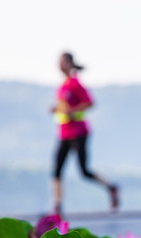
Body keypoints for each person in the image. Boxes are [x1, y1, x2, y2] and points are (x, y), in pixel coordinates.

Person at [51, 52, 119, 215]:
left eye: (61, 62)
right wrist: (57, 109)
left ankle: (110, 187)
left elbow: (89, 102)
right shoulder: (62, 86)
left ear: (68, 63)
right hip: (64, 133)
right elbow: (63, 107)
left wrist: (72, 112)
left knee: (84, 171)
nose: (59, 65)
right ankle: (57, 207)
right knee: (57, 170)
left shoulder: (75, 84)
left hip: (78, 132)